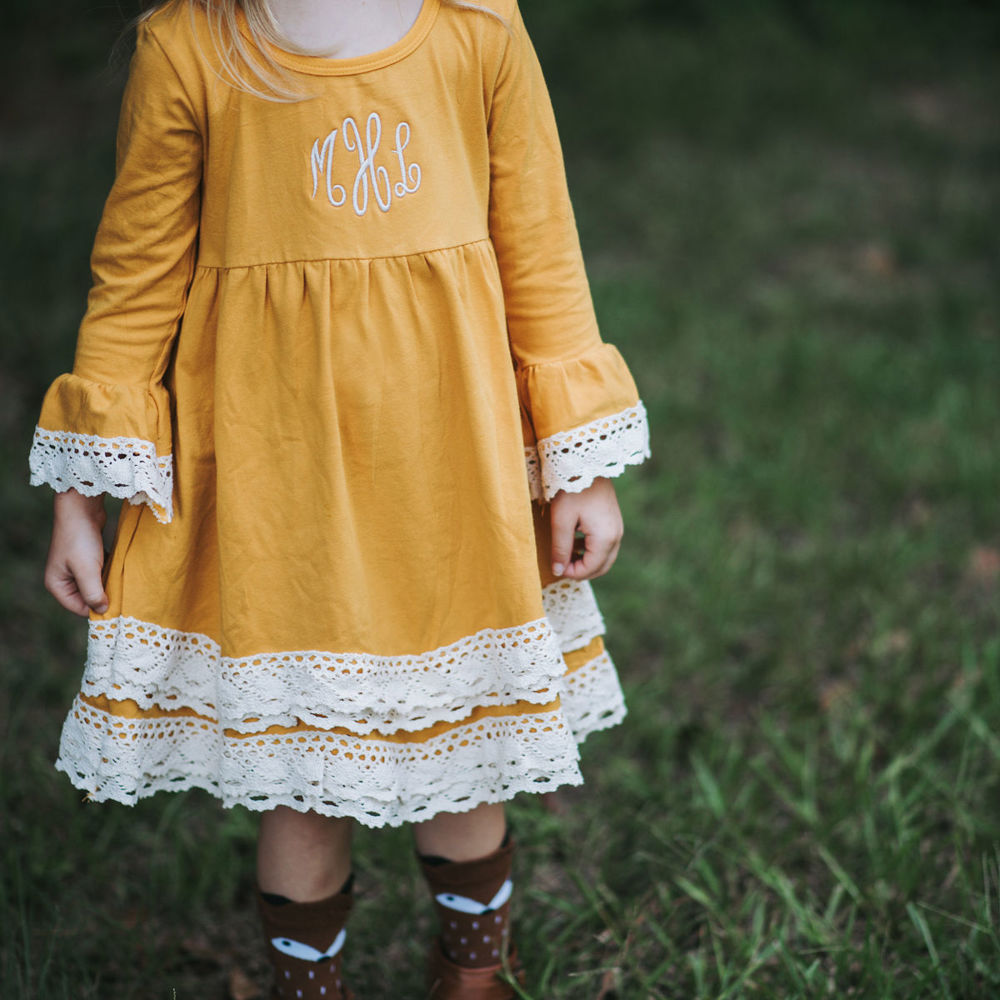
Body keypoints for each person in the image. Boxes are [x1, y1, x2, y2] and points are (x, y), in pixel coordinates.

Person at [29, 0, 650, 996]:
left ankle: (472, 977)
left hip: (446, 473)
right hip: (280, 483)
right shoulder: (191, 47)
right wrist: (80, 495)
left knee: (465, 751)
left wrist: (581, 465)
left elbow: (540, 246)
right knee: (302, 779)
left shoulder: (476, 30)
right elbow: (135, 278)